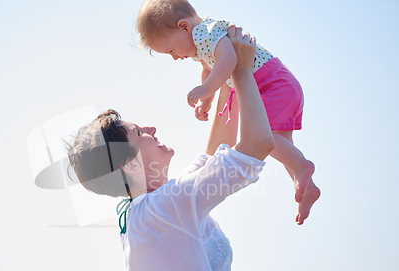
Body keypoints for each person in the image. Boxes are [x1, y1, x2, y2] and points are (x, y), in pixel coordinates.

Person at [66, 27, 272, 271]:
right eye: (139, 133)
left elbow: (215, 154)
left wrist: (224, 76)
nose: (151, 128)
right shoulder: (157, 212)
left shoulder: (149, 212)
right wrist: (242, 71)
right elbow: (256, 146)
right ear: (129, 164)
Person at [136, 0, 320, 224]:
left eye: (171, 50)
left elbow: (229, 59)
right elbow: (209, 68)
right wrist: (207, 99)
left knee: (267, 137)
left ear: (184, 26)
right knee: (283, 146)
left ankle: (302, 166)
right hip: (275, 84)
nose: (174, 57)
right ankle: (306, 186)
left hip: (272, 84)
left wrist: (206, 89)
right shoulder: (200, 44)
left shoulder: (206, 33)